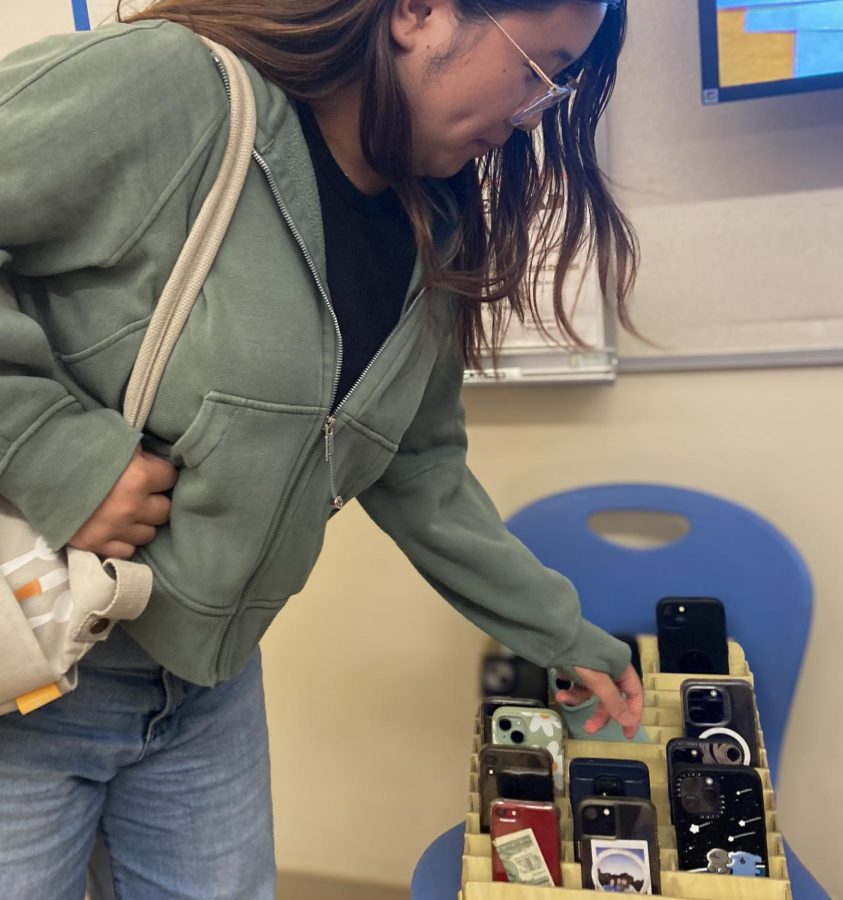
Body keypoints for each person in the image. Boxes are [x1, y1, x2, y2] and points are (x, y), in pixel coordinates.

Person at [0, 1, 642, 896]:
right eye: (539, 73)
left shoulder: (433, 225)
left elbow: (420, 470)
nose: (531, 116)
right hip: (29, 667)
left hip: (205, 689)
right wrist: (52, 449)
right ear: (421, 13)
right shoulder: (175, 89)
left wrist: (559, 630)